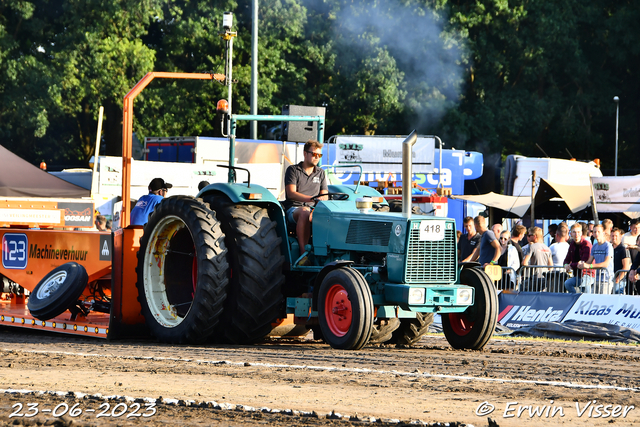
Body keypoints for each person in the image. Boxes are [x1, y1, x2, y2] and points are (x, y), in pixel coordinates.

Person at [284, 140, 328, 258]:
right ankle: (303, 255)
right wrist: (313, 199)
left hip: (314, 209)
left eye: (319, 155)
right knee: (304, 212)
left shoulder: (321, 173)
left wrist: (319, 202)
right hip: (294, 209)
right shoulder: (293, 170)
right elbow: (291, 193)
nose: (317, 157)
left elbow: (325, 195)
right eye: (314, 154)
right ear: (305, 154)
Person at [566, 224, 613, 294]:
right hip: (596, 279)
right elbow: (589, 261)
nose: (596, 234)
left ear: (603, 233)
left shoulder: (608, 246)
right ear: (592, 234)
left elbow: (606, 264)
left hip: (606, 279)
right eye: (594, 232)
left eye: (598, 232)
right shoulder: (594, 246)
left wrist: (589, 266)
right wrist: (581, 264)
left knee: (604, 301)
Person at [563, 222, 593, 292]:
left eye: (578, 232)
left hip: (587, 274)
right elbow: (567, 259)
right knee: (567, 283)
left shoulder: (586, 244)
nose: (576, 234)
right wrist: (565, 265)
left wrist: (570, 265)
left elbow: (583, 262)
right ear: (571, 233)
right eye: (574, 232)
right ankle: (576, 299)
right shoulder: (572, 244)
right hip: (577, 274)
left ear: (581, 233)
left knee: (586, 296)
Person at [522, 226, 553, 291]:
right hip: (544, 277)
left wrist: (531, 268)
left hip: (534, 277)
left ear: (535, 236)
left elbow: (524, 262)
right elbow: (551, 266)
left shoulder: (532, 247)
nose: (528, 237)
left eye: (529, 235)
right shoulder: (547, 248)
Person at [611, 228, 631, 294]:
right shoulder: (609, 248)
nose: (614, 238)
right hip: (610, 280)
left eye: (616, 236)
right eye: (612, 236)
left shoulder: (623, 249)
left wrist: (617, 279)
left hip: (620, 282)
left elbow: (626, 267)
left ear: (620, 236)